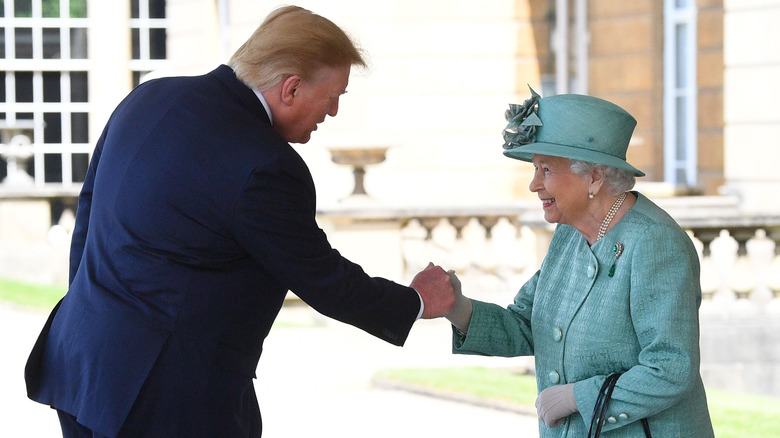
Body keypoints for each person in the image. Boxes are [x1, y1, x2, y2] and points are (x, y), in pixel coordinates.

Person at [24, 6, 455, 437]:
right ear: (291, 88)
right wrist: (416, 301)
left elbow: (89, 212)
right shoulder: (267, 166)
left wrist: (93, 316)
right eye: (334, 95)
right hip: (167, 401)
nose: (335, 111)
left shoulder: (148, 98)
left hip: (80, 365)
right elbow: (324, 279)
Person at [444, 88, 715, 437]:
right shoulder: (570, 234)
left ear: (594, 177)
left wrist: (578, 397)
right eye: (535, 168)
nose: (533, 184)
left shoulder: (654, 243)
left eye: (546, 169)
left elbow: (671, 368)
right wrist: (456, 307)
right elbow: (528, 323)